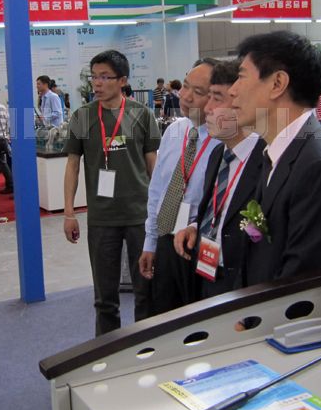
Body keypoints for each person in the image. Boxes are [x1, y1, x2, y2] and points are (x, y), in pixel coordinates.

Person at [228, 31, 321, 285]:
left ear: (277, 83)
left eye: (241, 77)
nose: (232, 90)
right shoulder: (280, 152)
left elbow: (304, 285)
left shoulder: (320, 168)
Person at [63, 50, 160, 335]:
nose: (97, 83)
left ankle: (146, 347)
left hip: (140, 216)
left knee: (145, 292)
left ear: (122, 80)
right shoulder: (83, 116)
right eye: (94, 77)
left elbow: (152, 164)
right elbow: (72, 166)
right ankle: (107, 350)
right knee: (105, 298)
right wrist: (69, 213)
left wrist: (160, 212)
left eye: (105, 77)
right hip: (102, 218)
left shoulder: (142, 114)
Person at [174, 60, 265, 299]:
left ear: (242, 102)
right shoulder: (218, 154)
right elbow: (219, 212)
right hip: (207, 271)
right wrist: (195, 227)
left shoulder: (265, 161)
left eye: (217, 98)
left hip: (243, 284)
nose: (207, 108)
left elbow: (262, 232)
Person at [138, 59, 220, 315]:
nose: (185, 96)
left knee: (198, 316)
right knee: (164, 314)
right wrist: (150, 242)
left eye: (198, 91)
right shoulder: (174, 131)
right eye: (185, 86)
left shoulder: (224, 140)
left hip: (199, 242)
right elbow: (157, 190)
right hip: (166, 235)